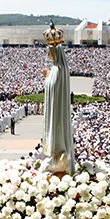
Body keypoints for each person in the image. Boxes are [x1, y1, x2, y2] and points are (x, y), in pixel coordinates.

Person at [41, 26, 75, 175]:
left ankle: (58, 154)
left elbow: (52, 87)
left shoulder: (56, 69)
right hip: (58, 110)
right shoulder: (61, 68)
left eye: (49, 52)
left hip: (56, 111)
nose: (48, 55)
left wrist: (47, 78)